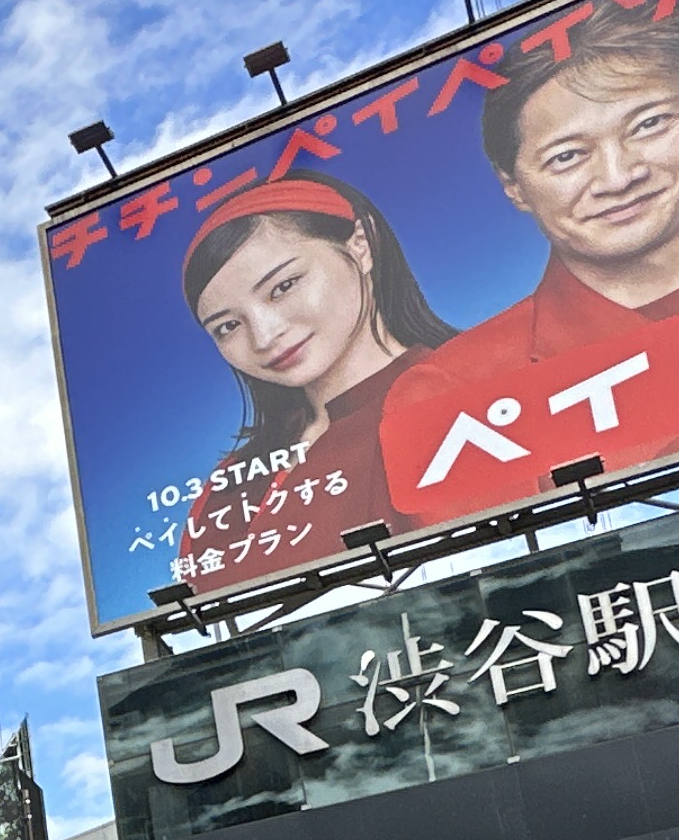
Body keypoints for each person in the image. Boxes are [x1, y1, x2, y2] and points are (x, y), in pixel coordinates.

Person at [385, 0, 679, 516]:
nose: (618, 177)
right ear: (513, 185)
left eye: (650, 124)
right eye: (567, 156)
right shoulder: (451, 391)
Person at [170, 173, 464, 586]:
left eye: (283, 286)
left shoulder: (466, 392)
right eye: (228, 326)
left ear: (361, 244)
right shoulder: (229, 484)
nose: (264, 336)